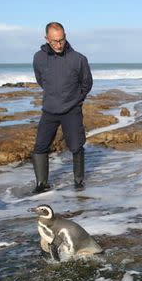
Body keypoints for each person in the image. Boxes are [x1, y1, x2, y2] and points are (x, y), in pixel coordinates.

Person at [31, 21, 93, 193]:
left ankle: (79, 183)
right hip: (49, 110)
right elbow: (40, 80)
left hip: (71, 110)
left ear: (65, 36)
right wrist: (53, 95)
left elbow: (87, 83)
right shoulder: (38, 57)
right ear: (46, 39)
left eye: (61, 40)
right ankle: (41, 185)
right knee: (40, 147)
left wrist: (76, 100)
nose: (58, 44)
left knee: (76, 146)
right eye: (54, 41)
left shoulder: (78, 59)